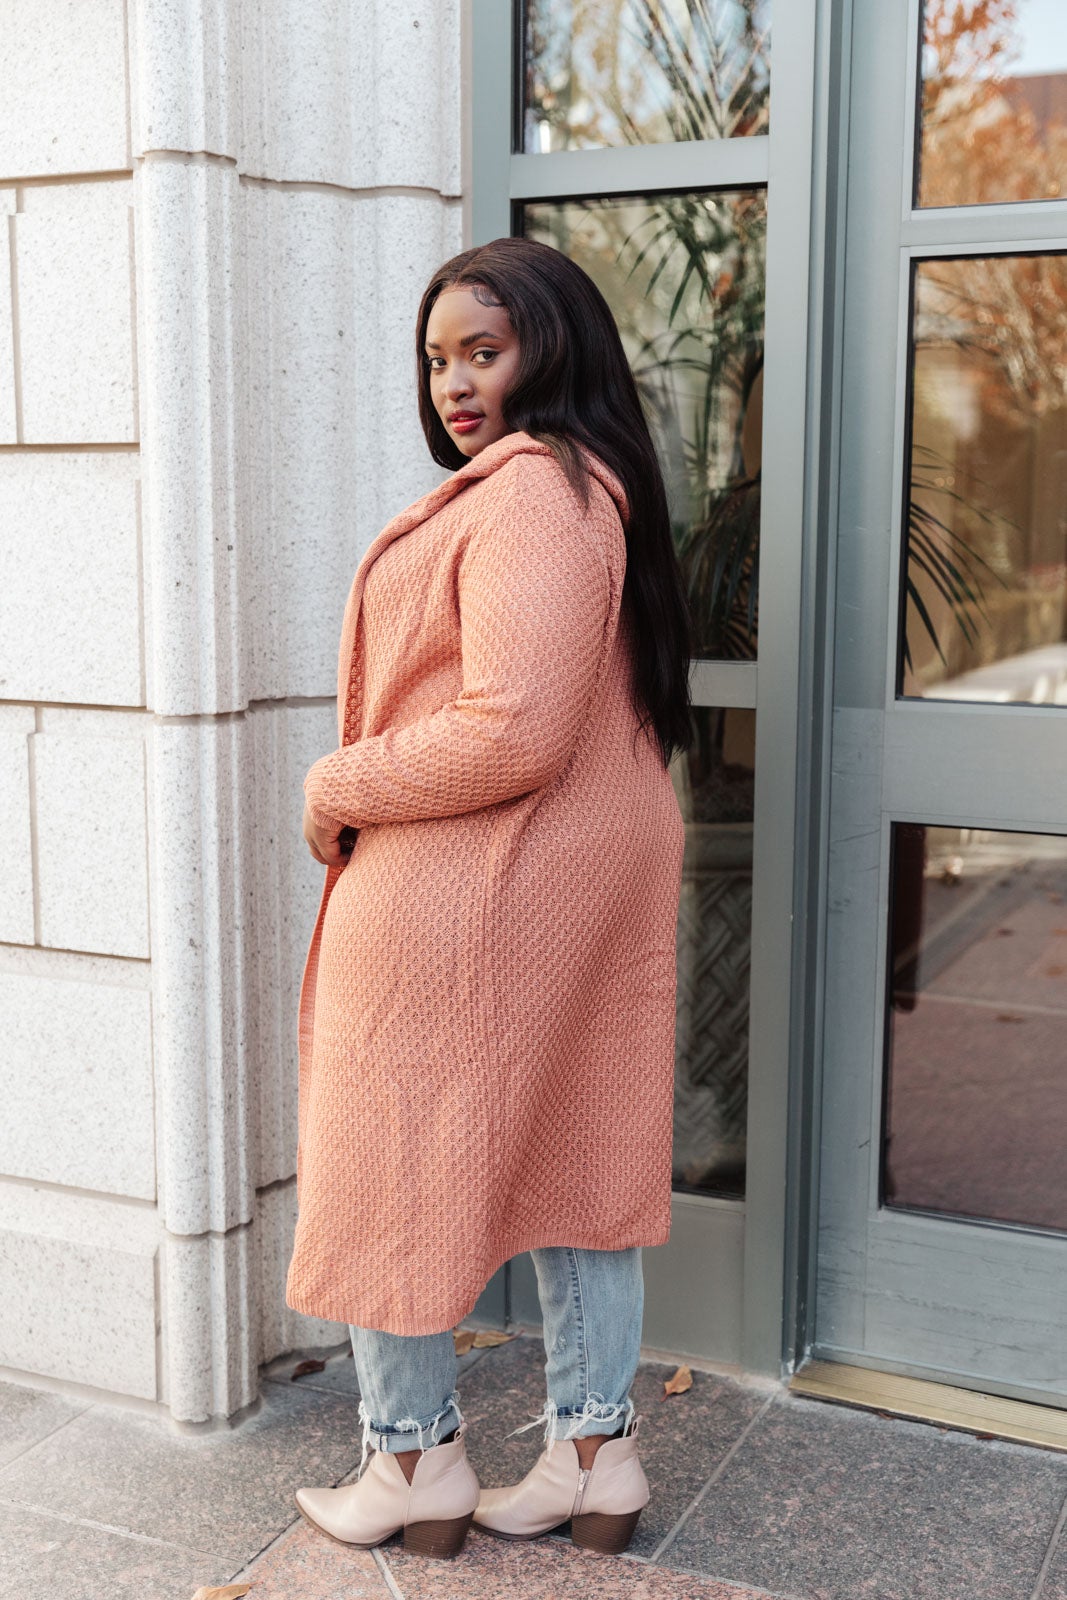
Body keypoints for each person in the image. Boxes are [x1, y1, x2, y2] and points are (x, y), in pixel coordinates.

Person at [285, 235, 691, 1561]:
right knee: (582, 1157)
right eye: (438, 359)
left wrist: (340, 779)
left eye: (484, 350)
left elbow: (512, 725)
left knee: (389, 1151)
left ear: (552, 347)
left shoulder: (533, 495)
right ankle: (594, 1452)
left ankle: (413, 1464)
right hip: (533, 893)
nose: (455, 383)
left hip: (467, 901)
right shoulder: (579, 492)